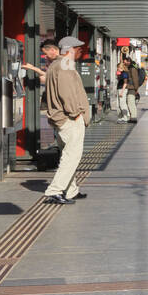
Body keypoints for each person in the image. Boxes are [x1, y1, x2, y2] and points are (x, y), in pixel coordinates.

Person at [44, 36, 90, 205]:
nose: (81, 52)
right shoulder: (64, 66)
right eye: (79, 49)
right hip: (69, 119)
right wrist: (76, 113)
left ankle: (71, 190)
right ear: (70, 50)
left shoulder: (56, 65)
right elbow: (66, 93)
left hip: (62, 119)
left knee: (69, 155)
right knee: (71, 156)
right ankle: (55, 191)